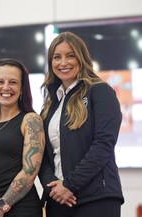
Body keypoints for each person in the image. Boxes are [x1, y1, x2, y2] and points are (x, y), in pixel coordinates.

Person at [38, 31, 124, 217]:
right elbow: (42, 154)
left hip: (96, 199)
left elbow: (103, 145)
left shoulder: (100, 92)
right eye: (57, 57)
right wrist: (53, 186)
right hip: (58, 199)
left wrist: (70, 184)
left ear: (82, 58)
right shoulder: (51, 104)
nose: (63, 63)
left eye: (70, 55)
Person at [0, 59, 45, 217]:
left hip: (22, 209)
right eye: (0, 82)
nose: (6, 87)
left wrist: (0, 207)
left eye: (13, 82)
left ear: (22, 88)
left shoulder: (31, 120)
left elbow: (29, 172)